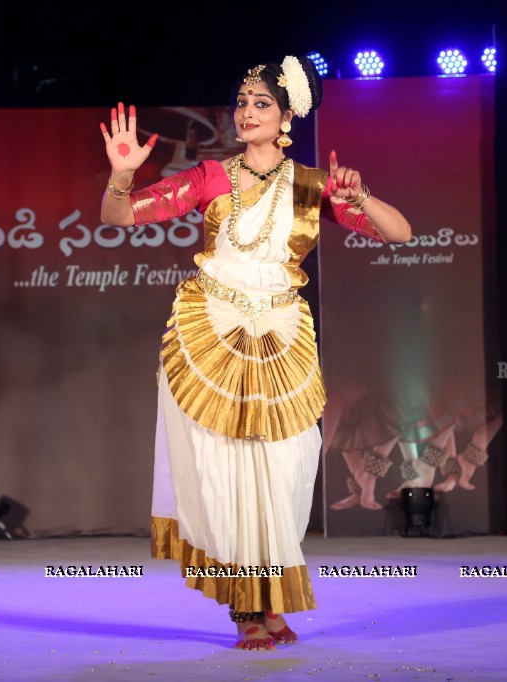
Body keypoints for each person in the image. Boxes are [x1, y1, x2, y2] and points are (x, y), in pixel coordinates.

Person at [99, 55, 412, 651]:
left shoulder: (315, 185)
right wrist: (121, 174)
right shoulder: (210, 178)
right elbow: (118, 214)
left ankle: (271, 597)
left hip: (281, 337)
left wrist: (362, 195)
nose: (246, 112)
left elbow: (399, 232)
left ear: (288, 114)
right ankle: (245, 607)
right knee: (222, 469)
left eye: (260, 103)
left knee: (284, 471)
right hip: (211, 335)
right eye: (241, 103)